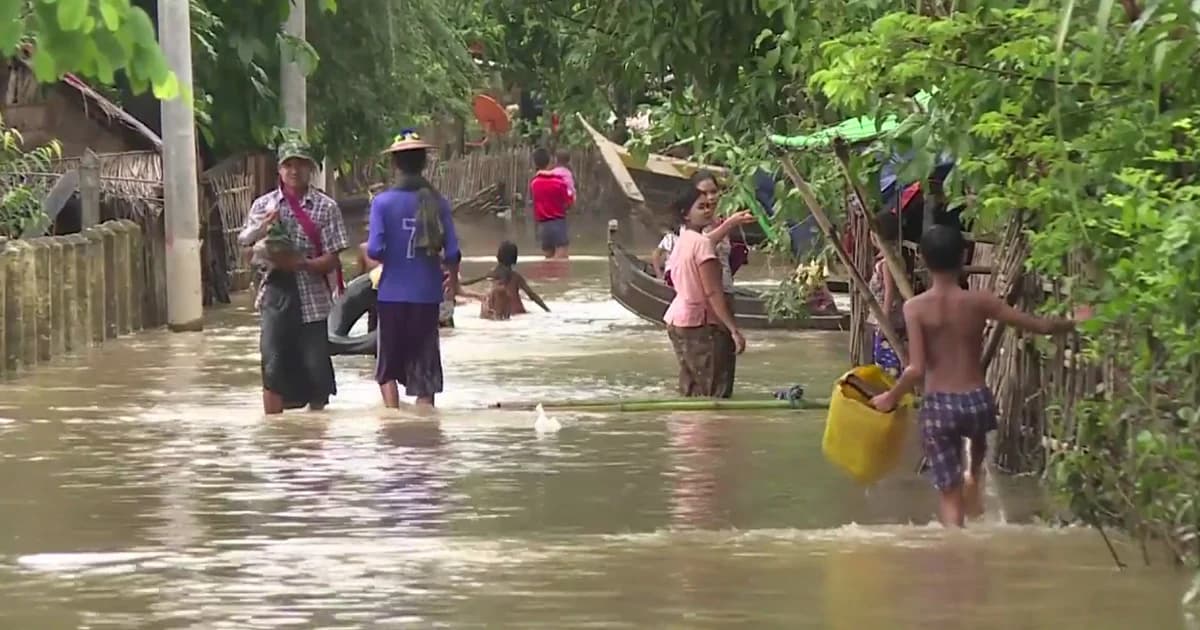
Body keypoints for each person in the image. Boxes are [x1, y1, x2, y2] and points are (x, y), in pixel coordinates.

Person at [870, 226, 1081, 527]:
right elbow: (1040, 326)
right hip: (977, 402)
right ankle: (974, 472)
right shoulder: (980, 301)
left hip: (940, 406)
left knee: (949, 497)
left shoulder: (914, 308)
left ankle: (957, 549)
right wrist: (1076, 321)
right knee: (976, 441)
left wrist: (890, 397)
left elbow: (916, 369)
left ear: (924, 262)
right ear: (962, 258)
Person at [238, 136, 348, 414]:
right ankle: (275, 430)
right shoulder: (263, 206)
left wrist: (300, 264)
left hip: (313, 298)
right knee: (272, 365)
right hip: (275, 295)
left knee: (316, 370)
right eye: (288, 164)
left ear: (311, 169)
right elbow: (246, 252)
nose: (294, 171)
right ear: (279, 169)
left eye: (300, 164)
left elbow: (334, 258)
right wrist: (265, 233)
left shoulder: (326, 207)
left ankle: (316, 430)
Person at [367, 129, 462, 408]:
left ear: (395, 165)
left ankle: (393, 422)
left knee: (387, 368)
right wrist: (453, 284)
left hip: (391, 295)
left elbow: (375, 250)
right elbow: (453, 252)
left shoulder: (382, 203)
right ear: (424, 163)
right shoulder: (438, 203)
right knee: (425, 373)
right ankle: (425, 429)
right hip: (427, 295)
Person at [662, 187, 747, 398]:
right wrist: (733, 330)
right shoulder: (701, 245)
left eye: (710, 206)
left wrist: (730, 223)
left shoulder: (683, 240)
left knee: (692, 390)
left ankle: (688, 430)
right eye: (701, 207)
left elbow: (708, 240)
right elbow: (713, 293)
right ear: (686, 213)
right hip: (702, 324)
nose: (708, 211)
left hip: (677, 321)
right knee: (714, 393)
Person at [464, 241, 550, 320]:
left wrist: (458, 284)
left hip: (499, 311)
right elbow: (532, 295)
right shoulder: (516, 277)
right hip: (517, 311)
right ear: (514, 258)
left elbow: (473, 281)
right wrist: (547, 310)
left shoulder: (492, 274)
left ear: (498, 256)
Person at [869, 209, 906, 378]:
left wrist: (883, 321)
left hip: (888, 320)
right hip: (895, 318)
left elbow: (890, 292)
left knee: (886, 364)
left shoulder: (886, 263)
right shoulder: (896, 257)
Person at [529, 147, 571, 259]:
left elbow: (534, 205)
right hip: (558, 223)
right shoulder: (559, 182)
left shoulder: (534, 184)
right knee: (561, 261)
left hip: (543, 226)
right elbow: (568, 203)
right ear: (550, 162)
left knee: (548, 260)